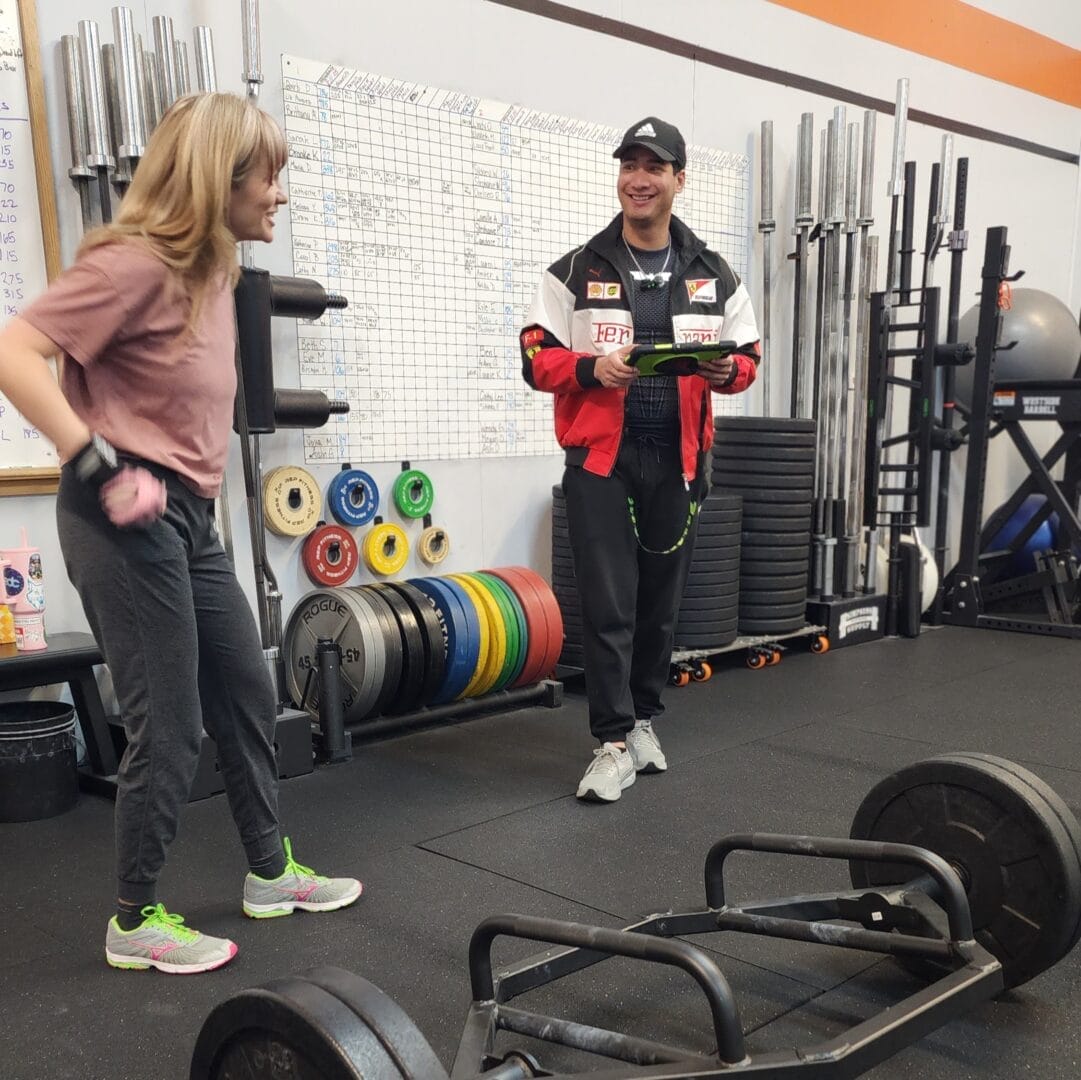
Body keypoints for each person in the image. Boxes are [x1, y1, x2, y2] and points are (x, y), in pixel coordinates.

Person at [0, 93, 361, 974]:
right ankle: (134, 918)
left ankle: (270, 872)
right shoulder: (133, 264)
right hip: (121, 512)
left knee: (246, 686)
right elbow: (13, 350)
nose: (278, 192)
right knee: (169, 723)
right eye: (266, 175)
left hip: (187, 520)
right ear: (216, 178)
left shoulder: (219, 270)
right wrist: (94, 461)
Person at [520, 117, 760, 802]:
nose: (639, 178)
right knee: (607, 605)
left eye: (653, 167)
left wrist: (726, 374)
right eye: (629, 164)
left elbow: (748, 358)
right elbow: (536, 359)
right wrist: (594, 368)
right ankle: (611, 741)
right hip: (601, 464)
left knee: (659, 606)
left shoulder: (713, 274)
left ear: (678, 181)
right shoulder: (573, 270)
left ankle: (645, 719)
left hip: (679, 464)